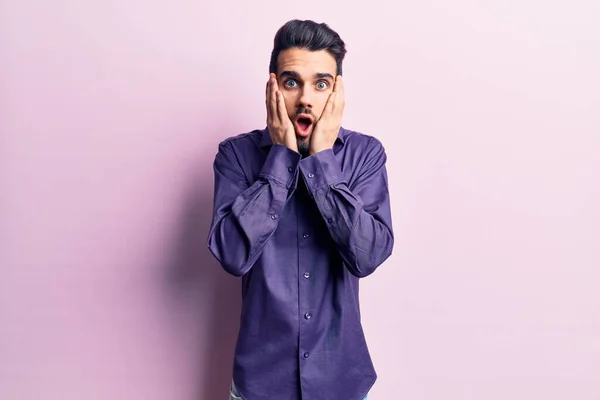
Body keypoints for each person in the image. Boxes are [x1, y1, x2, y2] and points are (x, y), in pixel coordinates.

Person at [207, 19, 394, 400]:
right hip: (260, 383)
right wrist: (281, 158)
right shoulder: (236, 157)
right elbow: (231, 254)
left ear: (337, 92)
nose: (306, 98)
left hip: (342, 381)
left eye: (321, 84)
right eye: (292, 82)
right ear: (272, 87)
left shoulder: (364, 156)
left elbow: (369, 255)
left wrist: (323, 160)